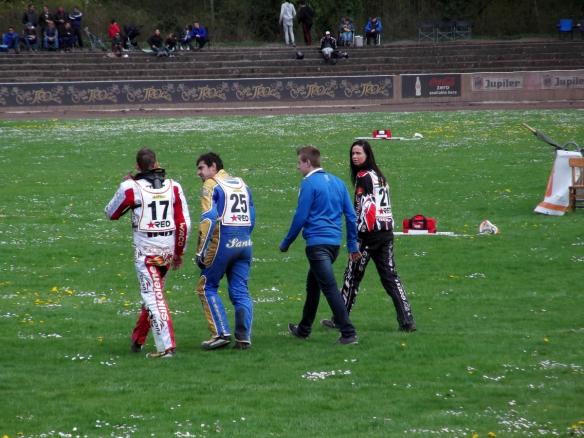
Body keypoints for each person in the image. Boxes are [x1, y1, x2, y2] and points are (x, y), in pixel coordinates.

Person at [320, 140, 416, 332]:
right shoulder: (379, 176)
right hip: (386, 232)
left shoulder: (363, 177)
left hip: (369, 234)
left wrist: (356, 240)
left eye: (358, 154)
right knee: (390, 277)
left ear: (367, 155)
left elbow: (366, 209)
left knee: (352, 276)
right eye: (352, 154)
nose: (355, 157)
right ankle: (407, 320)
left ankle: (340, 319)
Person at [105, 148, 191, 359]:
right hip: (168, 252)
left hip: (146, 254)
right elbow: (183, 224)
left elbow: (111, 213)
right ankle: (138, 339)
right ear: (156, 164)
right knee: (155, 293)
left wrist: (127, 186)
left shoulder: (130, 188)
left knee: (153, 298)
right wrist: (179, 252)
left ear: (137, 166)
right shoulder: (174, 187)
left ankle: (167, 347)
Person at [280, 146, 359, 345]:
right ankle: (304, 329)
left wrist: (287, 241)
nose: (298, 167)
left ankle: (348, 333)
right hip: (334, 245)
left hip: (317, 245)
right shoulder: (338, 182)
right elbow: (351, 216)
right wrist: (351, 245)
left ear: (307, 162)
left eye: (299, 163)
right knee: (313, 286)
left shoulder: (308, 184)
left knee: (329, 288)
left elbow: (300, 216)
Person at [194, 152, 255, 350]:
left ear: (213, 167)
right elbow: (252, 214)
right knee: (240, 291)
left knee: (206, 286)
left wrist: (200, 251)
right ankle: (243, 336)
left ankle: (220, 333)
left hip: (223, 242)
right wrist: (245, 234)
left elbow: (209, 218)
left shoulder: (212, 184)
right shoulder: (241, 183)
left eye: (201, 168)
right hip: (245, 242)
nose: (199, 173)